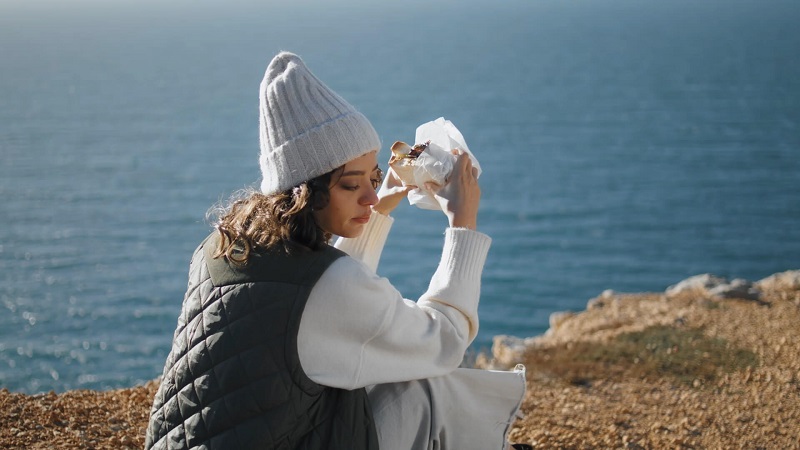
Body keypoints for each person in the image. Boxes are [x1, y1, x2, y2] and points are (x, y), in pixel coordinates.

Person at [145, 51, 526, 450]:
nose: (369, 195)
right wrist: (463, 225)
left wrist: (384, 201)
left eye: (374, 176)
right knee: (423, 388)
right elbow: (444, 342)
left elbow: (328, 308)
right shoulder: (328, 285)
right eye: (351, 184)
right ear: (304, 190)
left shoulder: (223, 246)